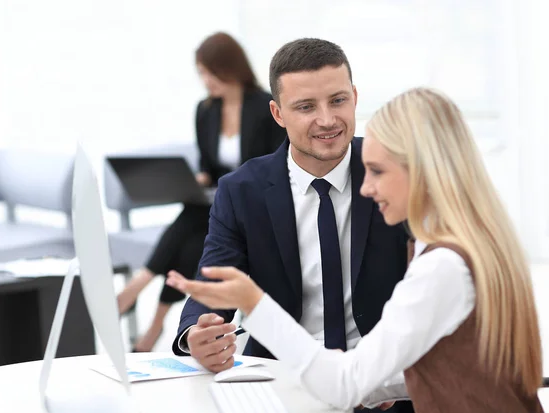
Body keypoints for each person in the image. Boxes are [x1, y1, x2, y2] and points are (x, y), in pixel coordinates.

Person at [167, 87, 545, 413]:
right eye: (306, 106)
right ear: (278, 114)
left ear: (423, 170)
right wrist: (377, 382)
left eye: (378, 172)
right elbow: (453, 357)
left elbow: (344, 385)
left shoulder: (442, 266)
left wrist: (254, 303)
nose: (366, 187)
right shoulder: (474, 244)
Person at [172, 38, 413, 413]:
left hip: (384, 389)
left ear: (354, 95)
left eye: (338, 100)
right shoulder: (241, 191)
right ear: (278, 113)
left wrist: (396, 373)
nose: (328, 120)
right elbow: (215, 282)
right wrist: (197, 333)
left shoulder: (397, 171)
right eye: (305, 107)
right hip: (283, 385)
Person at [116, 32, 286, 352]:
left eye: (210, 72)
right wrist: (201, 176)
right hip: (214, 199)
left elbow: (271, 164)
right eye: (202, 74)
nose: (206, 81)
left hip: (252, 199)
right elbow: (209, 163)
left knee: (195, 236)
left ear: (230, 67)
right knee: (195, 219)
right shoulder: (205, 110)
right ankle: (152, 325)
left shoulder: (264, 107)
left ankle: (142, 294)